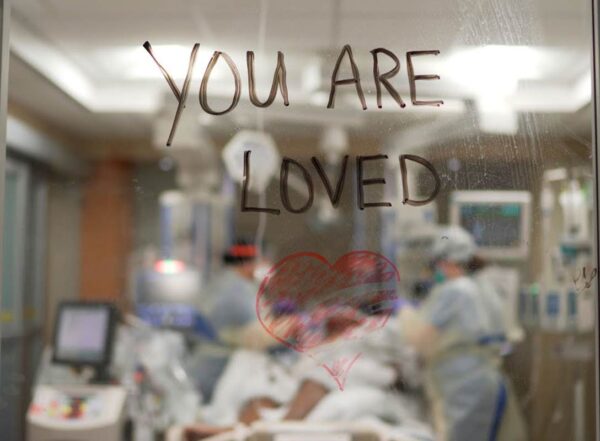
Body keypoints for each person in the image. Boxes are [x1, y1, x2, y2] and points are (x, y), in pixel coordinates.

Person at [398, 225, 527, 441]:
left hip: (465, 387)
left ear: (448, 261)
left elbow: (422, 338)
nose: (436, 271)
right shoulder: (483, 287)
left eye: (437, 264)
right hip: (485, 382)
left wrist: (403, 312)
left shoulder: (456, 290)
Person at [189, 240, 275, 401]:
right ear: (248, 263)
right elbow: (260, 335)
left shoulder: (224, 283)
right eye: (263, 260)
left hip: (206, 366)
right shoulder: (236, 290)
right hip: (218, 370)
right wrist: (292, 325)